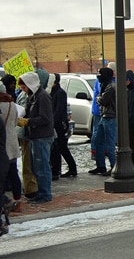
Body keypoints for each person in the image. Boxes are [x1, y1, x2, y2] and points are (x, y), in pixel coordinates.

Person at [17, 71, 54, 204]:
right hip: (34, 136)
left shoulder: (42, 97)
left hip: (42, 136)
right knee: (35, 167)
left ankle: (45, 194)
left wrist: (28, 121)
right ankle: (40, 192)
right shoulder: (32, 97)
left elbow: (45, 118)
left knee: (42, 167)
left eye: (24, 87)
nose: (23, 90)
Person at [48, 73, 76, 180]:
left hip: (59, 124)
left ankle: (63, 169)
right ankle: (69, 168)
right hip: (55, 123)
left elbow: (59, 110)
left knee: (61, 147)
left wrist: (53, 121)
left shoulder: (60, 93)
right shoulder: (52, 92)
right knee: (60, 148)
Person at [1, 82, 22, 212]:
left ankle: (3, 204)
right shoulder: (12, 104)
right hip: (12, 142)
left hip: (2, 144)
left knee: (2, 175)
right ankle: (18, 200)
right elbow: (15, 122)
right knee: (14, 173)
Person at [90, 67, 116, 175]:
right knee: (98, 141)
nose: (98, 76)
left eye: (100, 74)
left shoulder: (110, 87)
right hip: (104, 116)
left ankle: (114, 166)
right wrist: (99, 98)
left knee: (109, 144)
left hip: (110, 117)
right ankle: (100, 166)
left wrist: (98, 98)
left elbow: (103, 100)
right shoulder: (104, 85)